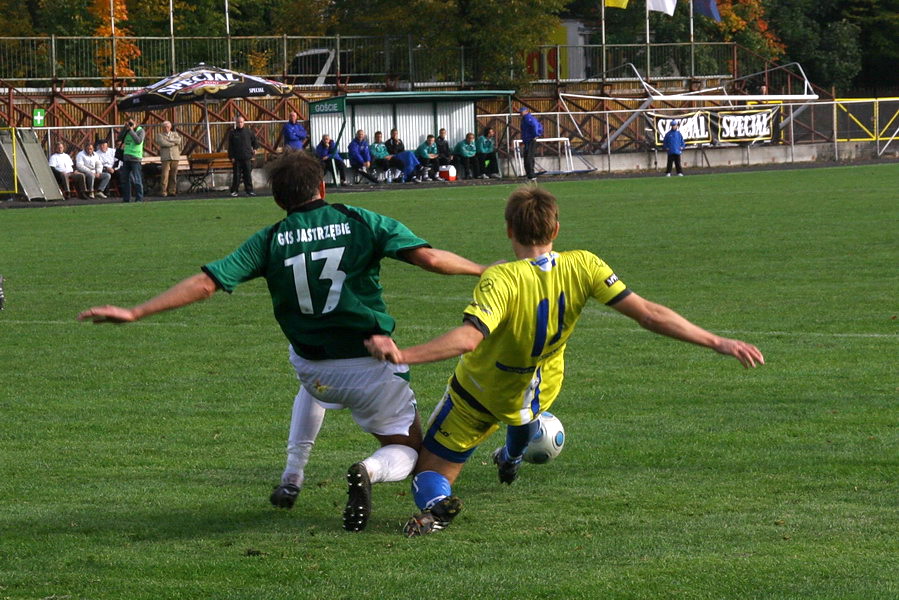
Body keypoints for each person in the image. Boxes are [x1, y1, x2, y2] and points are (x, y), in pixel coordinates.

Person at [77, 150, 485, 533]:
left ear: (278, 200)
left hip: (312, 368)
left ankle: (293, 475)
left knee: (311, 379)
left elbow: (205, 284)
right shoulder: (360, 219)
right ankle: (369, 470)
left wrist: (135, 312)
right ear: (322, 188)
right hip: (369, 364)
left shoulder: (269, 240)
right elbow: (429, 259)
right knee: (409, 449)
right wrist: (483, 268)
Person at [365, 186, 765, 537]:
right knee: (521, 415)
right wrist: (717, 341)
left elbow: (469, 340)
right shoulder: (585, 265)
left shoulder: (501, 278)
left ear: (509, 231)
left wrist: (402, 354)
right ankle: (512, 456)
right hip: (540, 385)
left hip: (480, 395)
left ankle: (437, 508)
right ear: (555, 230)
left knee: (430, 474)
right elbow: (649, 313)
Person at [227, 115, 259, 197]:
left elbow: (255, 142)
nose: (240, 124)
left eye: (241, 122)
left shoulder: (248, 132)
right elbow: (230, 147)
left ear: (243, 123)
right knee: (236, 176)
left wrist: (255, 149)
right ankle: (234, 191)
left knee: (247, 175)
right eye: (238, 122)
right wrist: (231, 157)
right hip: (237, 159)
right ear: (236, 123)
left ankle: (249, 191)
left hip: (247, 157)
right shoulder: (233, 133)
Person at [117, 118, 145, 203]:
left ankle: (139, 198)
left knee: (137, 179)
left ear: (136, 122)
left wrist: (131, 130)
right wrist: (124, 129)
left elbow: (138, 141)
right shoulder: (126, 130)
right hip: (126, 157)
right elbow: (119, 138)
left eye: (131, 123)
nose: (130, 124)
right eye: (129, 123)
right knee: (125, 179)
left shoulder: (141, 131)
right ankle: (126, 198)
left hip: (136, 157)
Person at [155, 120, 182, 197]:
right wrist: (173, 143)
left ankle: (172, 191)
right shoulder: (160, 135)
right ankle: (163, 191)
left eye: (167, 127)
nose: (166, 128)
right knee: (165, 175)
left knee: (173, 175)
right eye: (164, 127)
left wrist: (169, 140)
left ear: (170, 127)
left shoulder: (175, 134)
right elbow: (162, 143)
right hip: (165, 157)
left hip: (175, 157)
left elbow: (179, 141)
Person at [519, 106, 543, 182]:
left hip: (530, 140)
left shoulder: (528, 118)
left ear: (526, 111)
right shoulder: (525, 119)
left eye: (521, 111)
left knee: (529, 157)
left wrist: (536, 135)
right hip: (527, 140)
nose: (520, 113)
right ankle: (529, 175)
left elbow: (535, 125)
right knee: (527, 157)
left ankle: (532, 175)